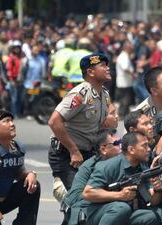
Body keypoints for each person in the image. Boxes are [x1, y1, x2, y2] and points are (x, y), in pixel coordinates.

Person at [48, 53, 111, 195]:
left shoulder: (104, 95)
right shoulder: (81, 94)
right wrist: (73, 151)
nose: (107, 69)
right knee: (80, 196)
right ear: (90, 72)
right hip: (67, 155)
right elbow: (54, 121)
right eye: (103, 66)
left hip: (88, 153)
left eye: (107, 66)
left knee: (100, 191)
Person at [82, 131, 162, 225]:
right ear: (131, 149)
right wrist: (120, 195)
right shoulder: (109, 166)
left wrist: (158, 190)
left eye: (148, 146)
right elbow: (88, 193)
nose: (149, 149)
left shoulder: (142, 167)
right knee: (122, 208)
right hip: (101, 214)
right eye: (144, 146)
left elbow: (152, 201)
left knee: (153, 216)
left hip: (127, 213)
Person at [62, 128, 122, 225]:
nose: (121, 147)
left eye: (121, 142)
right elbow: (75, 198)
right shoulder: (89, 167)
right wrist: (104, 194)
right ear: (103, 149)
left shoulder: (123, 161)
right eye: (116, 143)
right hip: (85, 211)